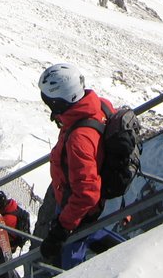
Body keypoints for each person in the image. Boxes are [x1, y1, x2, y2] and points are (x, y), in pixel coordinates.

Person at [36, 63, 114, 269]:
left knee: (71, 267)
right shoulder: (97, 106)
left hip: (79, 213)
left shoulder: (79, 138)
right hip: (96, 202)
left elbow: (86, 193)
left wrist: (61, 229)